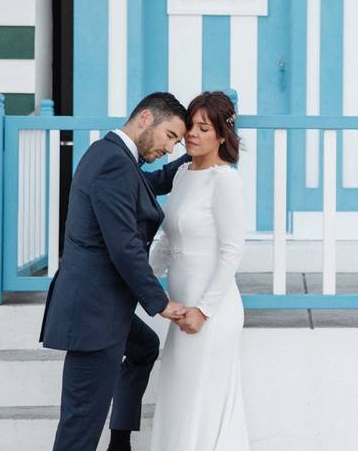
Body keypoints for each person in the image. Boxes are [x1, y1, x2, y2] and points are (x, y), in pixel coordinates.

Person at [40, 92, 192, 451]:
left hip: (102, 307)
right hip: (93, 314)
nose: (171, 147)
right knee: (80, 425)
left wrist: (194, 158)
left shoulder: (116, 158)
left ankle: (120, 439)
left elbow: (146, 187)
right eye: (170, 136)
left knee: (144, 348)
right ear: (144, 119)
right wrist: (160, 302)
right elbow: (123, 246)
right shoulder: (113, 163)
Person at [148, 91, 250, 451]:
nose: (191, 134)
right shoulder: (182, 175)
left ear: (222, 136)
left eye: (203, 128)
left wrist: (203, 310)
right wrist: (140, 282)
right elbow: (165, 240)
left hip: (212, 314)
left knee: (201, 407)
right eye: (190, 125)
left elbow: (231, 252)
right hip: (180, 311)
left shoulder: (225, 180)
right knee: (178, 402)